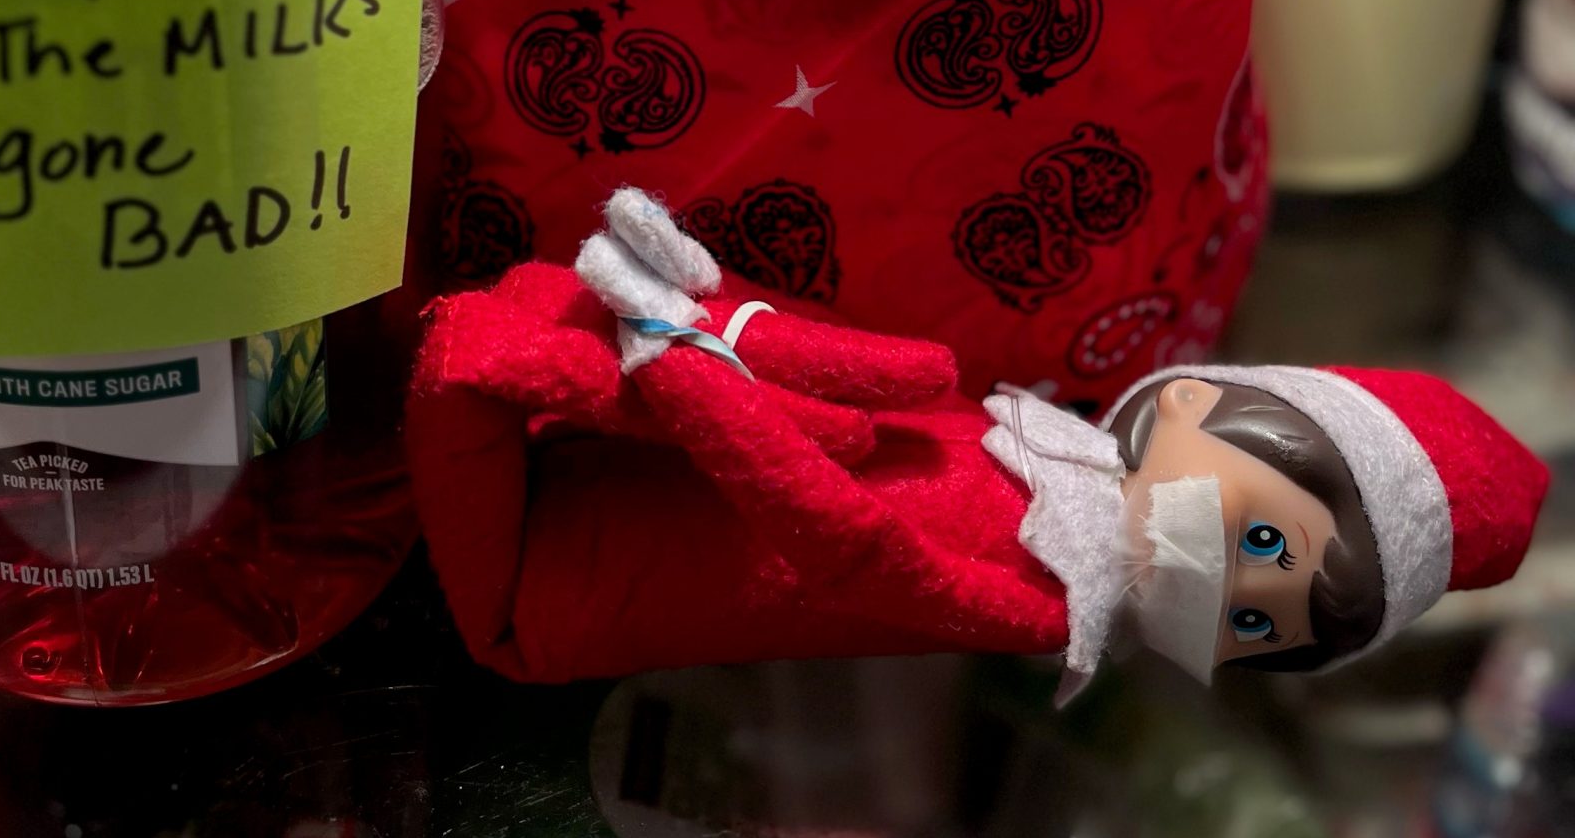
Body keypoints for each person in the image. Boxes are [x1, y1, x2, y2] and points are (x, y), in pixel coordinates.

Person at [407, 189, 1548, 694]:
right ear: (1194, 405)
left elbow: (852, 550)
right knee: (540, 330)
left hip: (587, 567)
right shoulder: (1055, 446)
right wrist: (735, 321)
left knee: (488, 361)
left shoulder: (1052, 604)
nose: (1225, 592)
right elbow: (908, 389)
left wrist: (687, 368)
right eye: (1262, 540)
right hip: (657, 444)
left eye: (1256, 624)